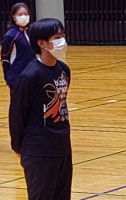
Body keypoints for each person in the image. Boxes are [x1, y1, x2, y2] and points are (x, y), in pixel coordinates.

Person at [9, 18, 72, 200]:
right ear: (42, 43)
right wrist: (18, 146)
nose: (62, 41)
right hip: (38, 151)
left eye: (63, 36)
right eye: (57, 37)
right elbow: (17, 115)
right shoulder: (29, 76)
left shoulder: (64, 70)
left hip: (62, 147)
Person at [1, 2, 36, 92]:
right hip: (17, 78)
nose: (23, 16)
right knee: (18, 105)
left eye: (26, 14)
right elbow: (5, 59)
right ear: (14, 17)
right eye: (20, 14)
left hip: (32, 75)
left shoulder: (31, 32)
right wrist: (8, 78)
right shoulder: (10, 35)